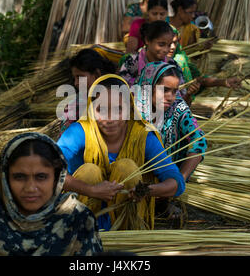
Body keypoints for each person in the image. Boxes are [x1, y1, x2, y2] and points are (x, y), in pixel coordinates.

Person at [58, 75, 185, 231]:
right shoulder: (80, 131)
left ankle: (127, 235)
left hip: (127, 220)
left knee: (127, 168)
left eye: (118, 109)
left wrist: (146, 191)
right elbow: (50, 172)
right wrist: (91, 190)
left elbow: (176, 182)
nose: (110, 119)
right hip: (83, 220)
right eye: (101, 110)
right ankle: (82, 235)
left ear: (130, 109)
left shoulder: (142, 136)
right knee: (89, 172)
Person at [0, 132, 103, 256]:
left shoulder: (77, 217)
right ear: (4, 177)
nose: (31, 188)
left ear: (57, 178)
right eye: (19, 177)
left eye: (41, 177)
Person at [135, 62, 207, 182]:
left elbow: (199, 140)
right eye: (164, 90)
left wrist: (179, 180)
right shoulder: (132, 110)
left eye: (174, 91)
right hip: (133, 177)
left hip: (167, 180)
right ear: (148, 86)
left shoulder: (178, 108)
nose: (170, 97)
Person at [167, 33, 242, 106]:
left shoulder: (180, 61)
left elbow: (199, 80)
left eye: (175, 42)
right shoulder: (158, 69)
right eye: (166, 43)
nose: (172, 47)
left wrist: (224, 82)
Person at [59, 49, 116, 136]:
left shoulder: (118, 100)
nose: (76, 83)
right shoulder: (74, 107)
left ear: (97, 75)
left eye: (80, 77)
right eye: (75, 78)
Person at [119, 20, 176, 87]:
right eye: (161, 44)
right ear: (147, 40)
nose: (166, 50)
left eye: (169, 45)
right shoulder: (132, 62)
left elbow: (179, 93)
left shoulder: (172, 65)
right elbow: (122, 88)